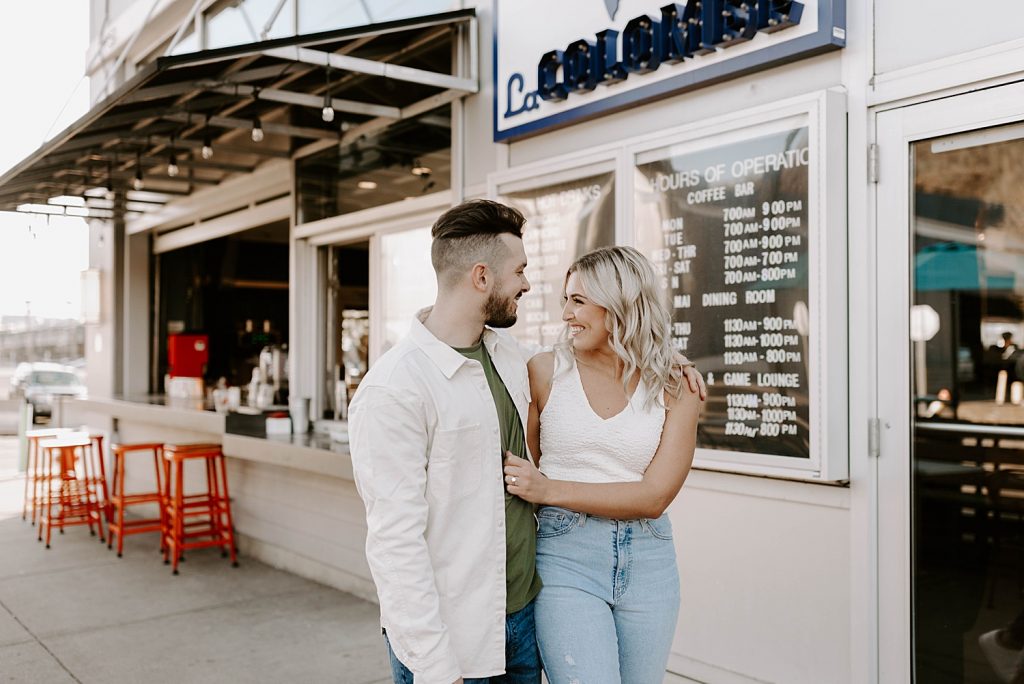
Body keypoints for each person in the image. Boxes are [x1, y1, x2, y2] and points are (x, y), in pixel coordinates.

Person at [349, 202, 705, 684]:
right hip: (455, 635)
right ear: (481, 276)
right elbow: (394, 541)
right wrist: (433, 665)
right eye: (519, 271)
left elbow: (622, 354)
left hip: (518, 617)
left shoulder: (511, 360)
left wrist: (667, 358)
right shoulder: (396, 387)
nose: (527, 285)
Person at [502, 246, 701, 683]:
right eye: (565, 301)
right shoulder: (544, 371)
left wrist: (549, 489)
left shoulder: (675, 383)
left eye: (579, 301)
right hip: (565, 555)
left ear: (621, 303)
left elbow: (654, 497)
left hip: (649, 559)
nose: (567, 315)